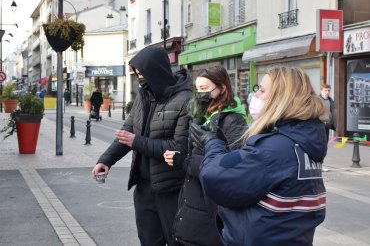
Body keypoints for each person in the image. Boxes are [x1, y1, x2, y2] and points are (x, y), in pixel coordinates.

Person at [190, 66, 327, 246]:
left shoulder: (274, 149)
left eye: (262, 91)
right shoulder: (304, 139)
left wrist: (212, 143)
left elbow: (215, 178)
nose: (255, 96)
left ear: (281, 98)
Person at [91, 46, 192, 246]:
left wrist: (137, 142)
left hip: (171, 188)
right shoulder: (143, 96)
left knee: (176, 241)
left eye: (142, 74)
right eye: (137, 75)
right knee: (148, 241)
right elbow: (127, 131)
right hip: (144, 187)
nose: (140, 79)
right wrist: (105, 160)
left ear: (156, 71)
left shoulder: (185, 100)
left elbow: (178, 147)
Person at [163, 66, 247, 246]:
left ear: (222, 88)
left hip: (210, 212)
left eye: (204, 89)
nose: (200, 94)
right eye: (197, 89)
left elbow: (229, 168)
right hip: (191, 205)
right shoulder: (201, 116)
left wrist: (184, 161)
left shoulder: (233, 121)